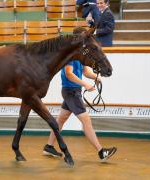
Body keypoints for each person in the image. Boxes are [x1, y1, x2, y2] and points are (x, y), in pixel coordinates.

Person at [43, 28, 117, 162]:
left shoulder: (81, 54)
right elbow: (69, 74)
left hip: (73, 91)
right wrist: (85, 85)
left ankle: (48, 146)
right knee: (86, 120)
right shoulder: (70, 56)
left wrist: (96, 77)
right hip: (71, 91)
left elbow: (85, 71)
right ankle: (101, 152)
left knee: (60, 120)